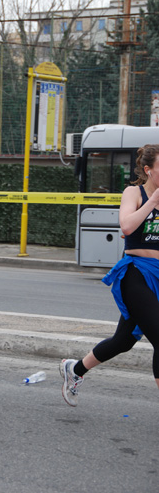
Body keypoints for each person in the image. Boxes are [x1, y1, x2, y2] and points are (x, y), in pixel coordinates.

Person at [60, 143, 159, 407]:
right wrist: (153, 201)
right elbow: (126, 227)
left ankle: (76, 369)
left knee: (124, 340)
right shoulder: (134, 193)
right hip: (136, 273)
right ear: (149, 170)